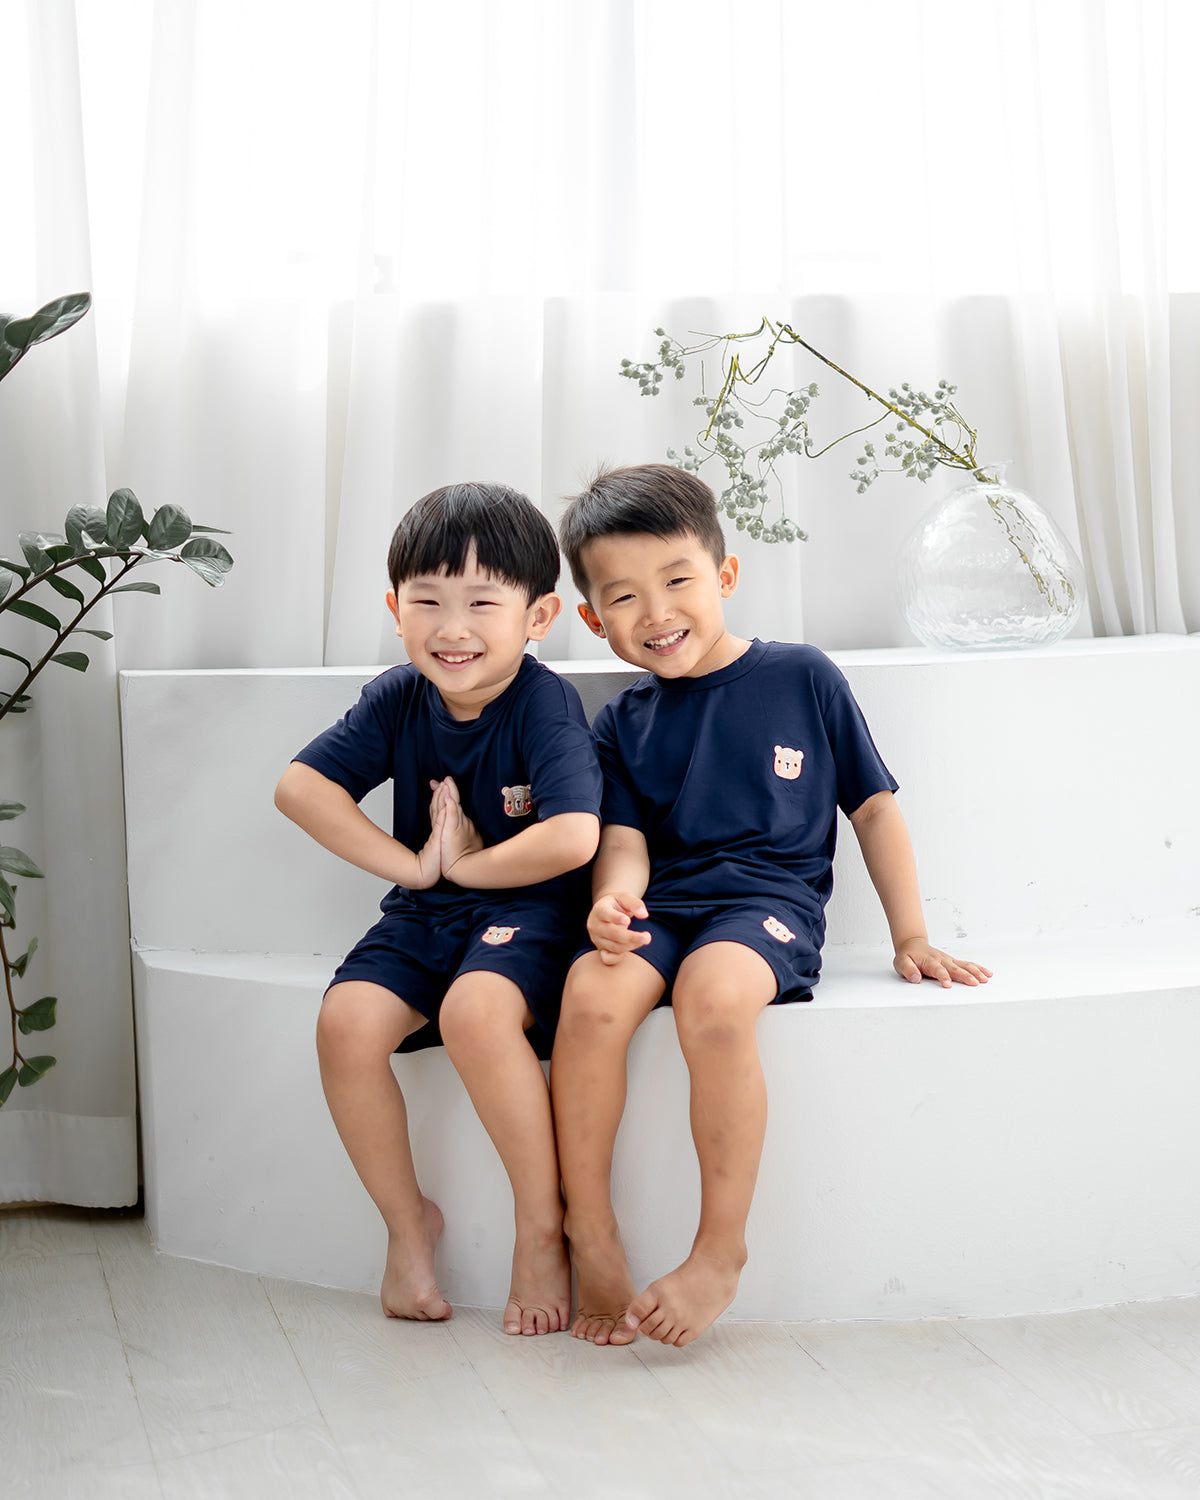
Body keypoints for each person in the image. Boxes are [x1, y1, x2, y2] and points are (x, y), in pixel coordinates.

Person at [551, 463, 991, 1348]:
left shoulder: (801, 675)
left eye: (677, 581)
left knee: (714, 1000)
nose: (657, 612)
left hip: (766, 904)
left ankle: (719, 1251)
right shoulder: (620, 722)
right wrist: (614, 901)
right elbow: (624, 841)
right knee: (591, 997)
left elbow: (873, 809)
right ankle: (589, 1232)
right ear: (595, 620)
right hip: (663, 905)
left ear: (724, 576)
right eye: (625, 597)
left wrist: (911, 934)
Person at [275, 482, 601, 1335]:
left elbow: (574, 836)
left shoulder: (543, 702)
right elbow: (300, 788)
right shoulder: (397, 696)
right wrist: (418, 869)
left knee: (474, 1014)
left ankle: (542, 1227)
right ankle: (407, 1222)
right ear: (395, 610)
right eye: (427, 602)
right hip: (427, 913)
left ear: (538, 617)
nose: (452, 628)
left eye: (482, 603)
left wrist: (474, 865)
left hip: (531, 912)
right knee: (346, 1025)